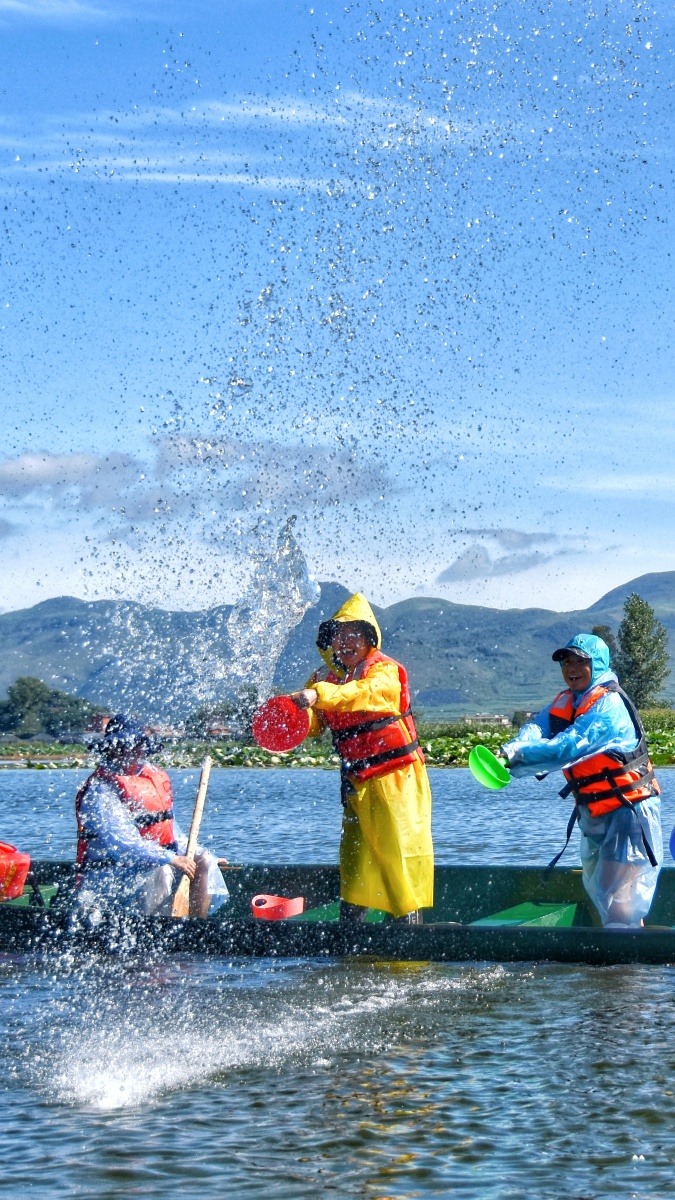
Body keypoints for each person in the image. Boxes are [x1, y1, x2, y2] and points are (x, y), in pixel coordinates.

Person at [502, 633, 662, 928]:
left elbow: (571, 745)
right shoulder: (567, 701)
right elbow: (537, 727)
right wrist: (513, 749)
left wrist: (518, 757)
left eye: (579, 661)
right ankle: (628, 966)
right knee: (608, 897)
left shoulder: (608, 705)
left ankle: (623, 967)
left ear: (598, 664)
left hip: (628, 811)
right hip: (595, 813)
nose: (570, 667)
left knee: (618, 899)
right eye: (565, 661)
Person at [292, 593, 433, 923]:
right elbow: (314, 724)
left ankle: (409, 944)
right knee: (357, 867)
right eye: (339, 636)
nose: (345, 642)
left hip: (397, 781)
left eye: (354, 634)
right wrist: (288, 715)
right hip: (358, 785)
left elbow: (359, 695)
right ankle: (350, 941)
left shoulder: (385, 672)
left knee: (399, 866)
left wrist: (318, 696)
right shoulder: (324, 679)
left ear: (370, 638)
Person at [75, 713, 228, 920]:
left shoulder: (150, 779)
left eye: (137, 745)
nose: (132, 752)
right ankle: (158, 932)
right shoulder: (101, 791)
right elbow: (123, 843)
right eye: (124, 746)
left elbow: (172, 835)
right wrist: (170, 858)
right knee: (161, 869)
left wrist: (196, 854)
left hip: (150, 865)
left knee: (204, 861)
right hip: (108, 878)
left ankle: (196, 928)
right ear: (110, 749)